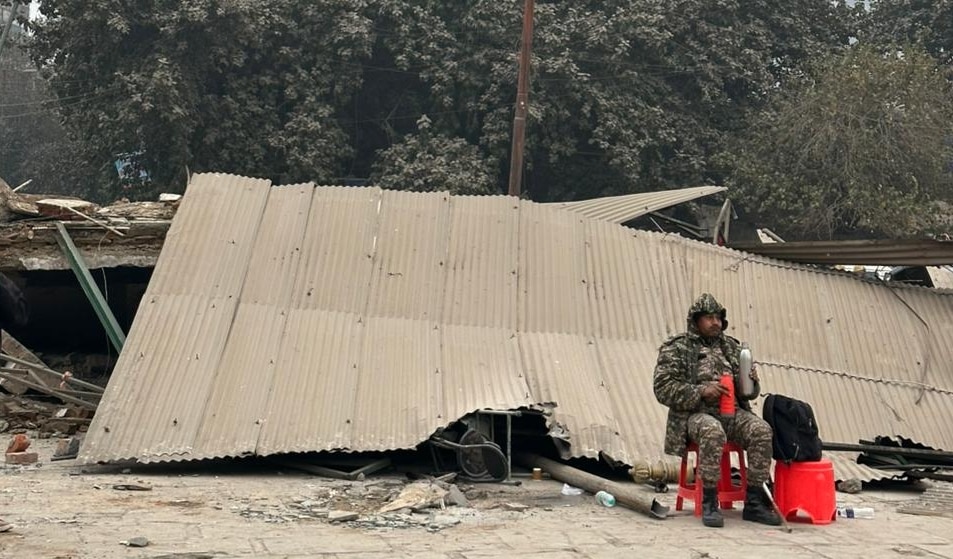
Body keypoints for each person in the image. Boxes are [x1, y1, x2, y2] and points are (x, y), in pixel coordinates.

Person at [653, 293, 781, 528]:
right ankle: (710, 502)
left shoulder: (731, 347)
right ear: (696, 321)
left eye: (718, 318)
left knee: (762, 430)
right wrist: (701, 391)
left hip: (732, 413)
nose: (715, 323)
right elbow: (662, 389)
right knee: (712, 431)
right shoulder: (677, 348)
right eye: (709, 318)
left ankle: (754, 503)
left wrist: (751, 383)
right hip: (694, 415)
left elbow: (747, 394)